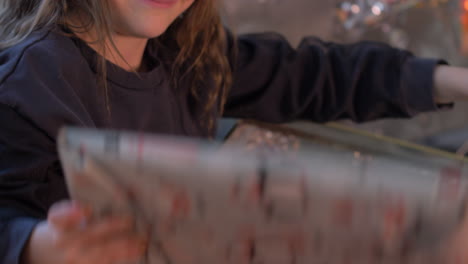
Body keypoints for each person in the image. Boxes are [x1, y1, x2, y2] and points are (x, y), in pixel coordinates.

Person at [1, 0, 468, 263]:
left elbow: (311, 75)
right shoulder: (30, 83)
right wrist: (35, 247)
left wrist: (449, 81)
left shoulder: (187, 52)